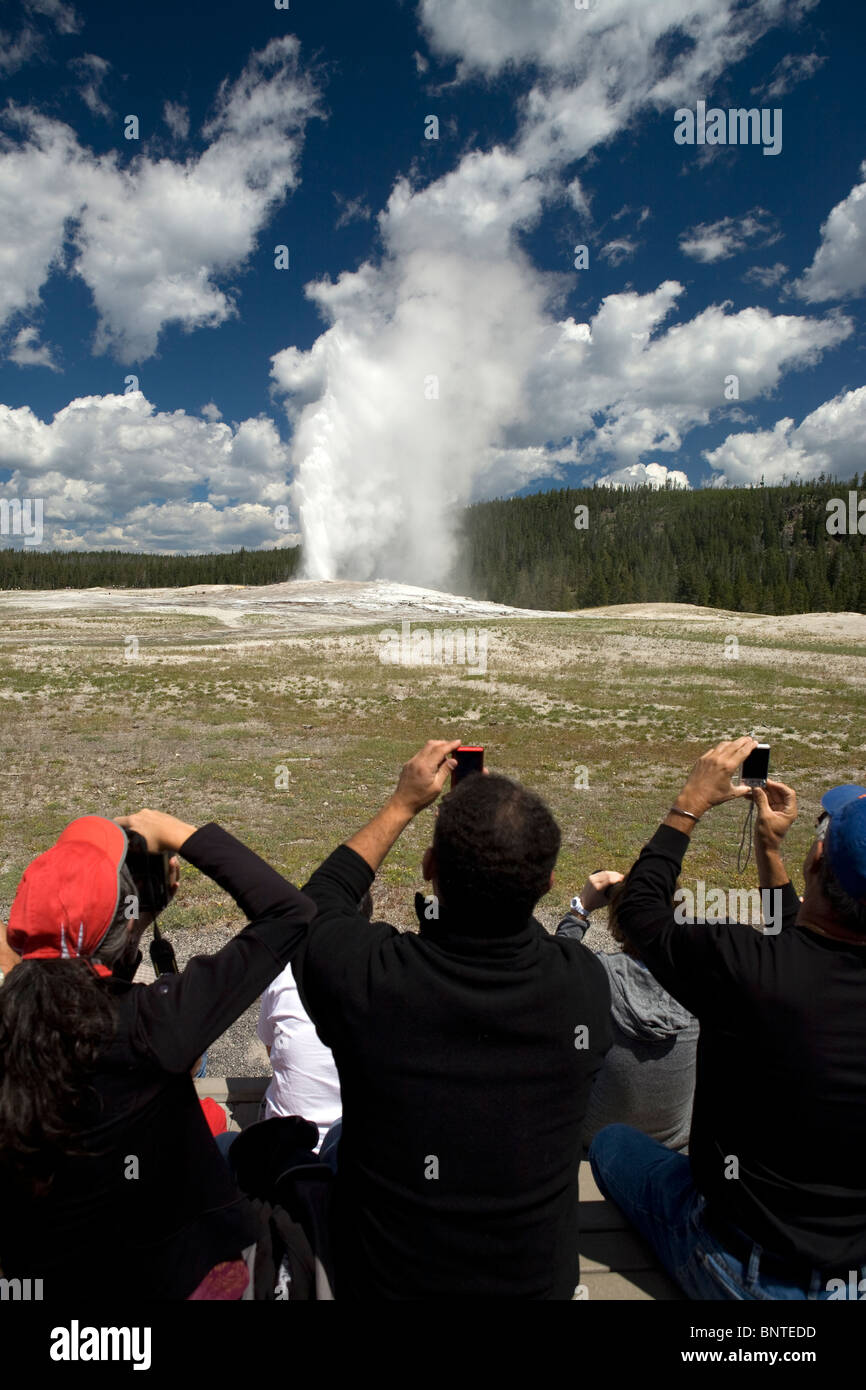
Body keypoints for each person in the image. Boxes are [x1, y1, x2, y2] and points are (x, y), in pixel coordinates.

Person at [288, 739, 613, 1299]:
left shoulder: (374, 979)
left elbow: (318, 905)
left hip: (386, 1284)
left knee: (335, 1139)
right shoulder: (581, 985)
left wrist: (401, 804)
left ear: (430, 867)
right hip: (534, 1287)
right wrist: (503, 840)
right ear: (547, 886)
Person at [589, 737, 866, 1300]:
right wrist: (769, 852)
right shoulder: (766, 971)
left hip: (740, 1265)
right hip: (853, 1271)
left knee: (612, 1144)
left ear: (817, 860)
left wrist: (688, 804)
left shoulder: (748, 971)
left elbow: (641, 913)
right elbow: (803, 949)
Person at [0, 811, 316, 1300]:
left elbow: (80, 975)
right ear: (123, 928)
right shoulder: (155, 1023)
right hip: (181, 1273)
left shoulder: (15, 1022)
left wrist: (133, 920)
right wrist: (176, 833)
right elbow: (290, 912)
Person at [556, 872, 698, 1152]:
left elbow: (555, 969)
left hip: (596, 1135)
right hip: (674, 1136)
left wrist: (580, 908)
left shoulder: (597, 974)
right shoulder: (706, 978)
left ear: (618, 921)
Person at [256, 892, 371, 1151]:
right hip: (359, 1147)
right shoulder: (386, 975)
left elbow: (269, 1047)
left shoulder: (283, 974)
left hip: (289, 1148)